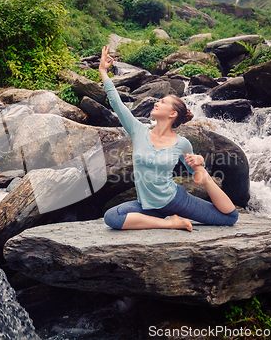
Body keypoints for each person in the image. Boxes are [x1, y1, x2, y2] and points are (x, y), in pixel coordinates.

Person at [99, 46, 238, 232]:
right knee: (112, 217)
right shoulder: (138, 131)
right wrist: (103, 71)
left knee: (229, 217)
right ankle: (169, 223)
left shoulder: (182, 143)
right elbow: (117, 103)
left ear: (172, 114)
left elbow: (195, 173)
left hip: (175, 200)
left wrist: (200, 163)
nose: (156, 102)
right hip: (147, 206)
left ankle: (168, 218)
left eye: (162, 102)